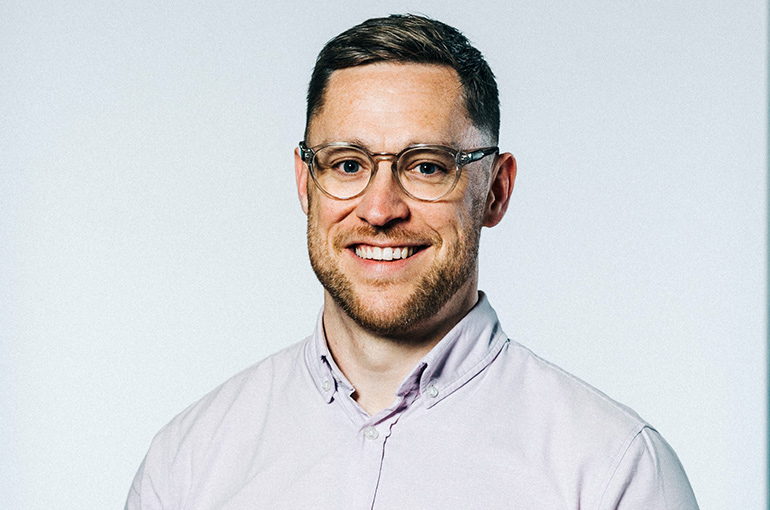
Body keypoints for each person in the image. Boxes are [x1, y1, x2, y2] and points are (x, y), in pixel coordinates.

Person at [125, 14, 699, 509]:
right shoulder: (187, 465)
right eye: (347, 164)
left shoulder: (613, 474)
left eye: (426, 166)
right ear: (305, 183)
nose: (379, 210)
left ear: (496, 191)